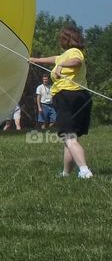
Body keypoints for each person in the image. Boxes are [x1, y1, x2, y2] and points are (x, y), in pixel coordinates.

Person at [31, 26, 94, 179]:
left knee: (69, 138)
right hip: (78, 97)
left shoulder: (74, 52)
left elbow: (76, 61)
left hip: (69, 97)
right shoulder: (65, 55)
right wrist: (35, 60)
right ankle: (66, 173)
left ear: (66, 38)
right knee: (70, 138)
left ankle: (85, 171)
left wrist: (61, 65)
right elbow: (55, 58)